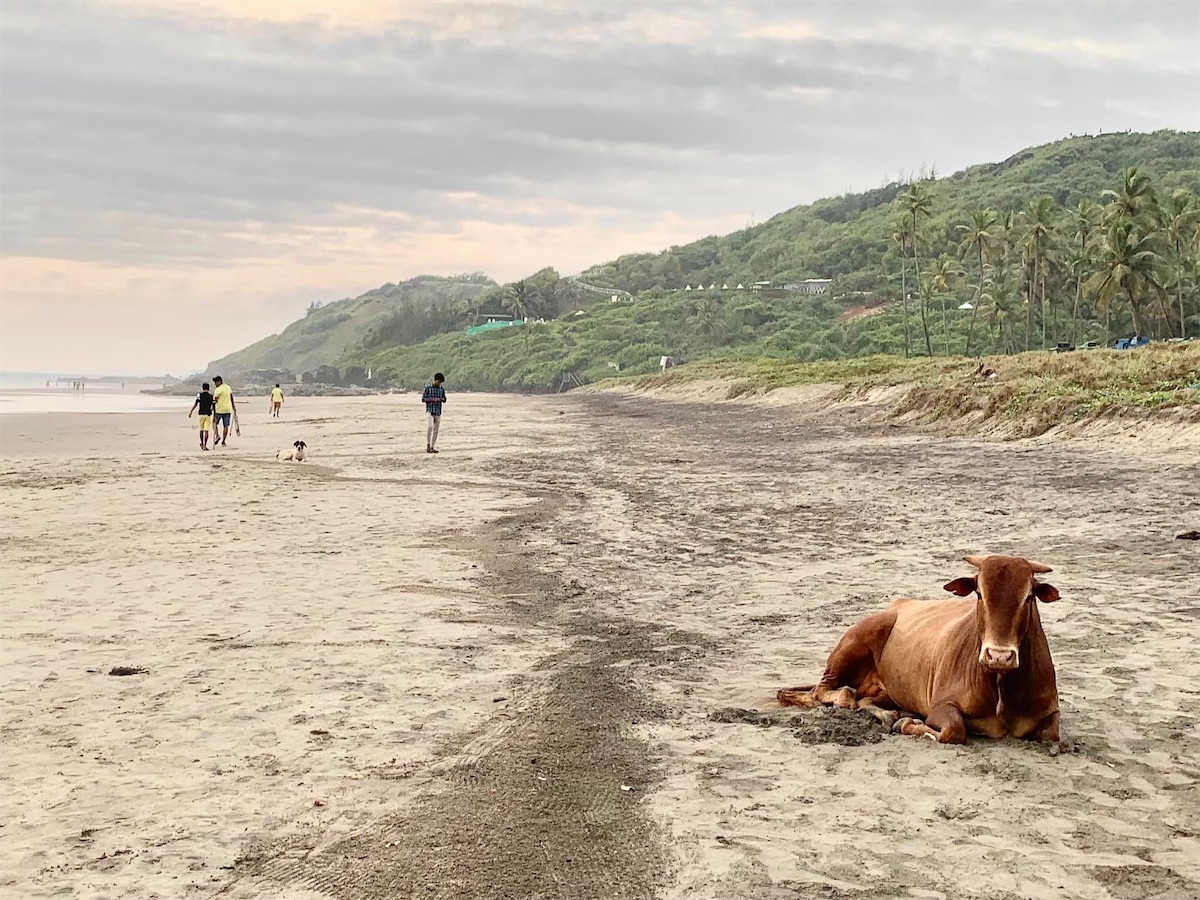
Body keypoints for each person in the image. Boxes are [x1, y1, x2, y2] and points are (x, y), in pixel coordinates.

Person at [422, 372, 446, 453]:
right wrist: (432, 399)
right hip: (430, 410)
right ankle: (428, 445)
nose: (439, 384)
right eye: (438, 382)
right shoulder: (428, 388)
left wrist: (441, 399)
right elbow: (423, 399)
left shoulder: (441, 389)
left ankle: (432, 446)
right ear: (435, 380)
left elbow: (444, 399)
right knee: (430, 427)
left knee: (436, 430)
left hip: (438, 411)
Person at [188, 382, 215, 450]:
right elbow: (213, 407)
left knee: (201, 430)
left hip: (201, 414)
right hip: (208, 415)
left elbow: (196, 404)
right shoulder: (211, 396)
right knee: (206, 431)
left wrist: (191, 411)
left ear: (202, 388)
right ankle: (205, 445)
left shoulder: (199, 395)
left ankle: (202, 443)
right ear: (208, 388)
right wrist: (214, 415)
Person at [211, 375, 236, 446]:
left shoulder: (218, 390)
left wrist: (211, 409)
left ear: (219, 382)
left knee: (214, 423)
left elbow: (215, 401)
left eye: (215, 382)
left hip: (219, 409)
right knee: (226, 425)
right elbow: (231, 397)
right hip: (228, 409)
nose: (215, 384)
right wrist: (233, 406)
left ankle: (217, 435)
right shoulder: (228, 387)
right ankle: (223, 441)